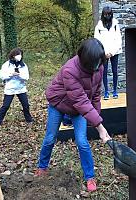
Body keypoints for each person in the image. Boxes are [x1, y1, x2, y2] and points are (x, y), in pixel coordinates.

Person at [35, 38, 112, 192]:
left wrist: (95, 117)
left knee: (82, 141)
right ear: (84, 59)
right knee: (50, 138)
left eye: (99, 62)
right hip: (59, 103)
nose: (97, 66)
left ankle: (90, 177)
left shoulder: (99, 67)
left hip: (78, 109)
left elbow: (95, 94)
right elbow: (80, 100)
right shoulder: (70, 70)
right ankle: (42, 167)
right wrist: (100, 128)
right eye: (95, 63)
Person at [0, 47, 34, 128]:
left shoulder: (23, 65)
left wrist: (19, 75)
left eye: (20, 54)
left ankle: (29, 120)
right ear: (13, 55)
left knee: (25, 105)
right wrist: (11, 74)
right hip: (10, 89)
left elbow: (26, 77)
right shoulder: (6, 65)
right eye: (17, 54)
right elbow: (2, 76)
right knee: (5, 106)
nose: (19, 56)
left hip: (21, 88)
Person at [94, 6, 122, 100]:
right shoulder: (99, 26)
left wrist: (112, 52)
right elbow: (97, 40)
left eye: (109, 14)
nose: (107, 16)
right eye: (106, 14)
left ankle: (115, 91)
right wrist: (104, 53)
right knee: (104, 72)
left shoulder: (115, 24)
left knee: (115, 71)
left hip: (115, 52)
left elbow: (118, 39)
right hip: (103, 53)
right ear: (103, 14)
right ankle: (106, 92)